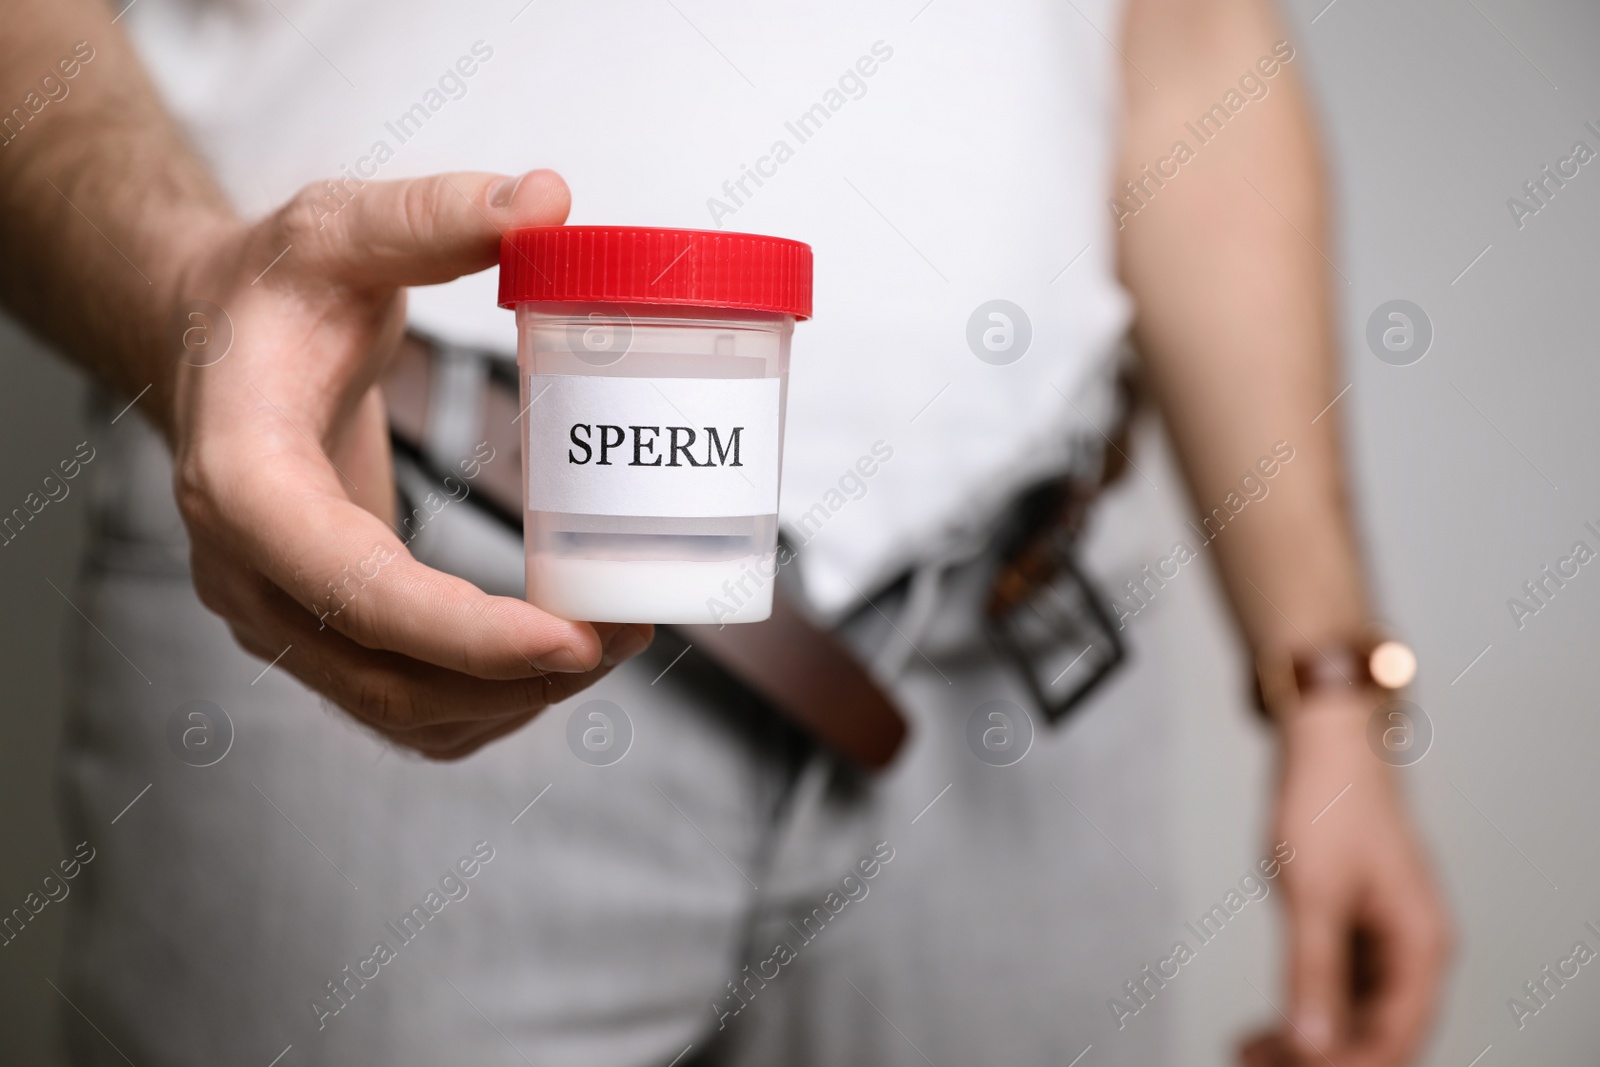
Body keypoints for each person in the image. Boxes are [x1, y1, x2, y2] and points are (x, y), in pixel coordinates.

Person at [0, 0, 1449, 1064]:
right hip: (379, 542)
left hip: (1018, 633)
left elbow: (1190, 48)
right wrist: (188, 299)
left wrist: (1326, 683)